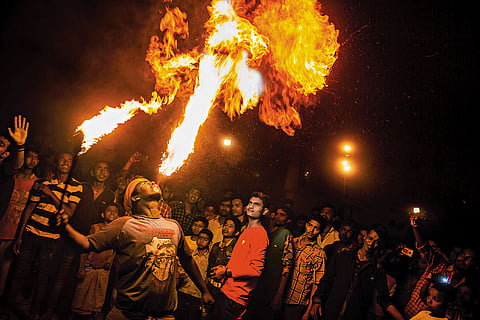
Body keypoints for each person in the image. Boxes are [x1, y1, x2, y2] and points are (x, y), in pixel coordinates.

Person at [57, 178, 214, 319]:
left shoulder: (174, 226)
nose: (152, 183)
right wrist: (65, 227)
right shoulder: (125, 224)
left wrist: (204, 290)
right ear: (134, 197)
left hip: (164, 315)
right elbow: (86, 243)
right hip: (128, 314)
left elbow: (187, 260)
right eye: (144, 184)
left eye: (151, 182)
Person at [10, 151, 83, 319]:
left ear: (72, 165)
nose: (65, 162)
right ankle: (7, 309)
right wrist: (19, 236)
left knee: (43, 276)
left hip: (52, 238)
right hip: (31, 233)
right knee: (20, 271)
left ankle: (34, 313)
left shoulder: (76, 186)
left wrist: (49, 193)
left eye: (69, 160)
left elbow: (69, 211)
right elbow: (29, 209)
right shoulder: (42, 182)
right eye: (62, 159)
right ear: (56, 163)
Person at [309, 225, 405, 320]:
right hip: (330, 312)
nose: (371, 244)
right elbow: (327, 279)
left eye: (376, 242)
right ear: (365, 236)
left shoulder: (377, 269)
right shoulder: (343, 256)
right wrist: (317, 300)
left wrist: (400, 317)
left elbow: (383, 298)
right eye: (370, 238)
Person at [210, 192, 270, 320]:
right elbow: (241, 262)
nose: (251, 206)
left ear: (264, 211)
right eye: (250, 203)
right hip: (226, 291)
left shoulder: (260, 234)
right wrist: (224, 268)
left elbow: (256, 270)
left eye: (257, 204)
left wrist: (226, 272)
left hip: (235, 298)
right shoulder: (247, 230)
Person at [404, 216, 477, 319]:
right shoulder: (440, 264)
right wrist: (416, 228)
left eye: (469, 258)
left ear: (475, 265)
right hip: (411, 313)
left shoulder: (464, 288)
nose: (463, 259)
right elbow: (424, 248)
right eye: (463, 254)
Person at [0, 147, 39, 306]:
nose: (32, 160)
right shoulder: (11, 177)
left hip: (14, 232)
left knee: (4, 272)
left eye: (35, 158)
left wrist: (20, 236)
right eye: (29, 156)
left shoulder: (36, 183)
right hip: (1, 224)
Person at [72, 202, 120, 320]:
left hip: (103, 270)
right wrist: (81, 267)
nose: (112, 213)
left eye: (115, 211)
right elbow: (85, 247)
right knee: (80, 299)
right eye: (109, 210)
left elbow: (116, 248)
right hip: (89, 268)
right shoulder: (95, 228)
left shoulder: (117, 231)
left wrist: (110, 259)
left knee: (97, 301)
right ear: (103, 214)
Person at [247, 206, 293, 320]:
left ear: (288, 220)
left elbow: (287, 267)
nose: (278, 216)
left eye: (282, 215)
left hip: (272, 288)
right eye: (277, 213)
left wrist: (279, 294)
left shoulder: (286, 234)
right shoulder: (267, 233)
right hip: (258, 284)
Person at [282, 214, 326, 320]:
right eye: (310, 225)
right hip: (281, 295)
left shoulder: (319, 253)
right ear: (306, 225)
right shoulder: (293, 242)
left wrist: (308, 311)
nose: (311, 230)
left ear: (320, 231)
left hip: (298, 303)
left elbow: (316, 284)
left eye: (316, 228)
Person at [205, 215, 241, 320]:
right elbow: (209, 267)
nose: (226, 228)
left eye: (230, 226)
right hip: (212, 287)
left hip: (225, 291)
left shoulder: (236, 247)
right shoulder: (216, 246)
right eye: (225, 225)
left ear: (236, 232)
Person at [176, 228, 214, 320]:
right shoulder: (190, 255)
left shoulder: (210, 258)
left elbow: (207, 278)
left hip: (197, 295)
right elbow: (181, 269)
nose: (201, 241)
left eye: (205, 239)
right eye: (200, 238)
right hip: (183, 291)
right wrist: (181, 275)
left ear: (210, 242)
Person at [0, 115, 29, 221]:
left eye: (0, 144)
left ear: (5, 154)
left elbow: (16, 167)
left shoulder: (4, 172)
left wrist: (20, 146)